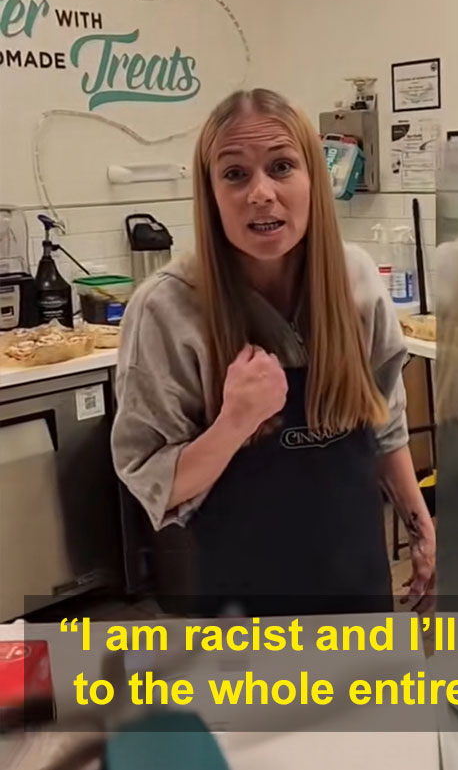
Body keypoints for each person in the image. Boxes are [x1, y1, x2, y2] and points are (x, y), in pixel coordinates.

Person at [111, 88, 435, 617]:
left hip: (359, 587)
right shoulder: (167, 309)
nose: (261, 193)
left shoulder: (355, 281)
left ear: (314, 179)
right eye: (235, 174)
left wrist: (420, 526)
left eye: (282, 166)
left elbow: (385, 425)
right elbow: (154, 483)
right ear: (210, 193)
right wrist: (233, 423)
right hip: (243, 606)